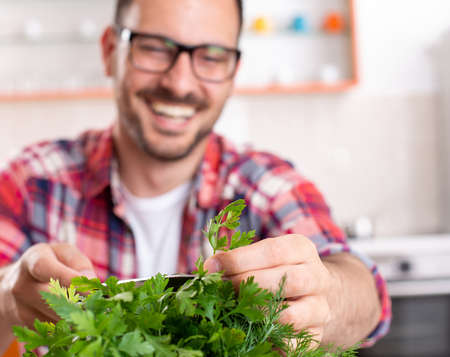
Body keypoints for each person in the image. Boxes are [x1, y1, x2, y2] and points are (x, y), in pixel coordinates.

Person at [0, 0, 391, 353]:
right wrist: (6, 298)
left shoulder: (266, 185)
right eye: (154, 47)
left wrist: (328, 294)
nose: (180, 83)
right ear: (109, 51)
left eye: (212, 56)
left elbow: (365, 293)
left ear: (233, 72)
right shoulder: (33, 182)